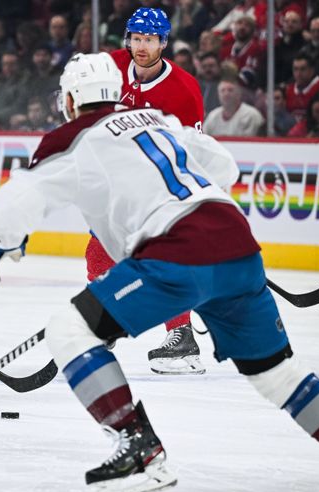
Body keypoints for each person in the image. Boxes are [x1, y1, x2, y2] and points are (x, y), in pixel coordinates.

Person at [0, 52, 319, 492]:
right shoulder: (155, 118)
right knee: (278, 372)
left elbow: (19, 198)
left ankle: (140, 450)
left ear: (70, 99)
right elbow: (223, 167)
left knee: (69, 329)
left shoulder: (72, 138)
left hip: (176, 256)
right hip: (239, 248)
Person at [101, 7, 207, 375]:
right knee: (98, 255)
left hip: (159, 188)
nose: (141, 46)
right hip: (117, 185)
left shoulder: (183, 91)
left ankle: (182, 339)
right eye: (136, 38)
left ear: (164, 42)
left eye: (149, 40)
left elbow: (190, 152)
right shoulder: (110, 66)